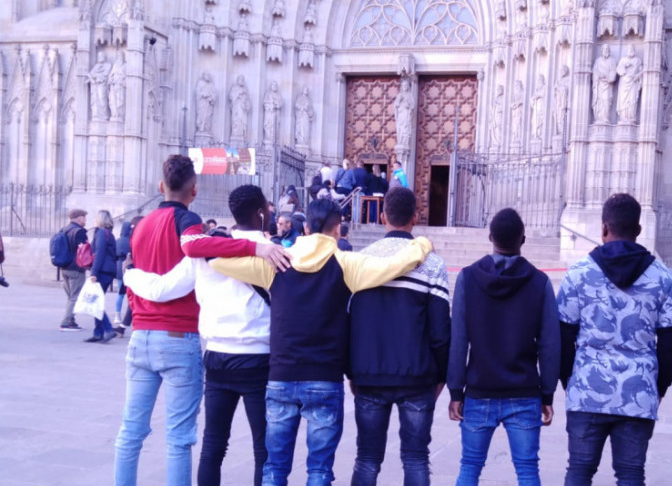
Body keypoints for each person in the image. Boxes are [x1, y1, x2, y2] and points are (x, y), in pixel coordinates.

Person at [210, 199, 435, 486]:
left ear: (304, 227)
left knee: (274, 470)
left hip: (281, 375)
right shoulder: (345, 263)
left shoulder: (277, 262)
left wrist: (259, 248)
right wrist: (422, 245)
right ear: (339, 229)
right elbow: (393, 266)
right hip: (324, 379)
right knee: (319, 471)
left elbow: (217, 260)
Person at [113, 154, 292, 486]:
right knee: (191, 439)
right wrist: (255, 249)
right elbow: (193, 248)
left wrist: (131, 278)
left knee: (136, 432)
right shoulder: (194, 229)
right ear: (194, 190)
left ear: (159, 186)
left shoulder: (140, 228)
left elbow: (162, 285)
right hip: (190, 340)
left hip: (149, 336)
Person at [556, 193, 672, 486]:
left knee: (579, 470)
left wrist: (570, 380)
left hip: (587, 389)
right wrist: (658, 386)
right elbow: (670, 342)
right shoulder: (662, 278)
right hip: (638, 392)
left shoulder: (579, 274)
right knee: (630, 474)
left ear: (603, 228)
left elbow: (562, 335)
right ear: (638, 230)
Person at [447, 208, 560, 485]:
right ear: (523, 239)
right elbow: (549, 344)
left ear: (490, 237)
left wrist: (455, 390)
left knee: (470, 468)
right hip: (524, 391)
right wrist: (547, 394)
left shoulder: (468, 278)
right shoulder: (540, 282)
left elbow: (459, 340)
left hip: (479, 389)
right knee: (527, 471)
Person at [348, 187, 450, 485]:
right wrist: (441, 374)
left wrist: (352, 370)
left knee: (366, 459)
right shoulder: (432, 264)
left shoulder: (361, 261)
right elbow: (441, 330)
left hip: (369, 374)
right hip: (417, 377)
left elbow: (349, 323)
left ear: (383, 218)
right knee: (416, 458)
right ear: (415, 218)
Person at [84, 210, 118, 343]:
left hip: (102, 271)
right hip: (108, 270)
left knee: (95, 301)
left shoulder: (102, 234)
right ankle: (98, 332)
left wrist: (94, 273)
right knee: (97, 300)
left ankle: (108, 329)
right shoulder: (109, 234)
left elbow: (100, 254)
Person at [59, 209, 89, 331]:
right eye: (84, 217)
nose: (86, 220)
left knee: (71, 296)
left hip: (64, 267)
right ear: (79, 218)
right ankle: (66, 322)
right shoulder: (79, 232)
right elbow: (83, 250)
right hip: (76, 268)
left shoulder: (64, 229)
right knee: (75, 296)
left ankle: (71, 320)